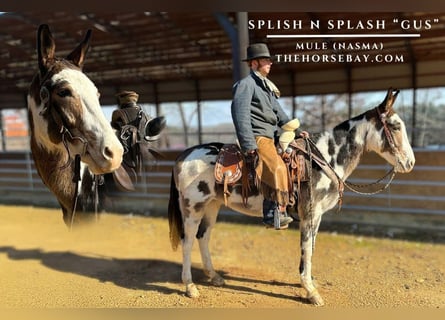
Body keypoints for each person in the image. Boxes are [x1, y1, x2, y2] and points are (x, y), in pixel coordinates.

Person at [231, 43, 307, 230]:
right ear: (254, 63)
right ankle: (273, 212)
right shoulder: (245, 85)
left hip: (273, 136)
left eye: (269, 61)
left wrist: (297, 132)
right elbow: (240, 115)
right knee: (277, 166)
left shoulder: (267, 88)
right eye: (266, 61)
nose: (270, 64)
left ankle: (290, 204)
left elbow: (281, 115)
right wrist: (249, 143)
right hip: (259, 137)